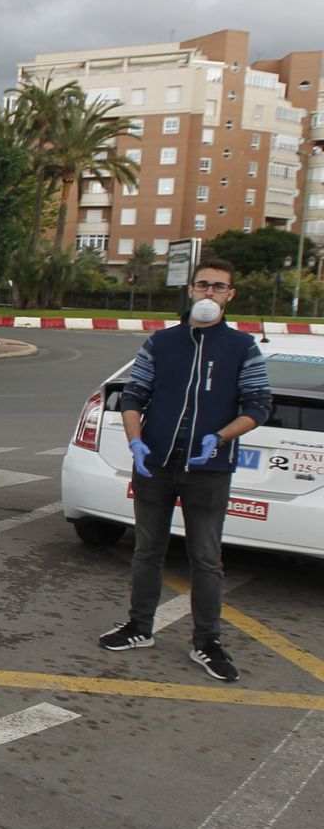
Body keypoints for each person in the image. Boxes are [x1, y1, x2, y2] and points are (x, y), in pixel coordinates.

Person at [98, 257, 271, 682]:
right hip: (155, 464)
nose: (208, 293)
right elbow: (134, 395)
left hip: (209, 471)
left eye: (218, 287)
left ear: (230, 296)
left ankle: (207, 642)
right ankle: (140, 627)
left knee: (206, 558)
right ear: (190, 290)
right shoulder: (161, 343)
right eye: (202, 285)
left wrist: (222, 437)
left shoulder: (241, 348)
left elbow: (259, 405)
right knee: (147, 549)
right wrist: (136, 442)